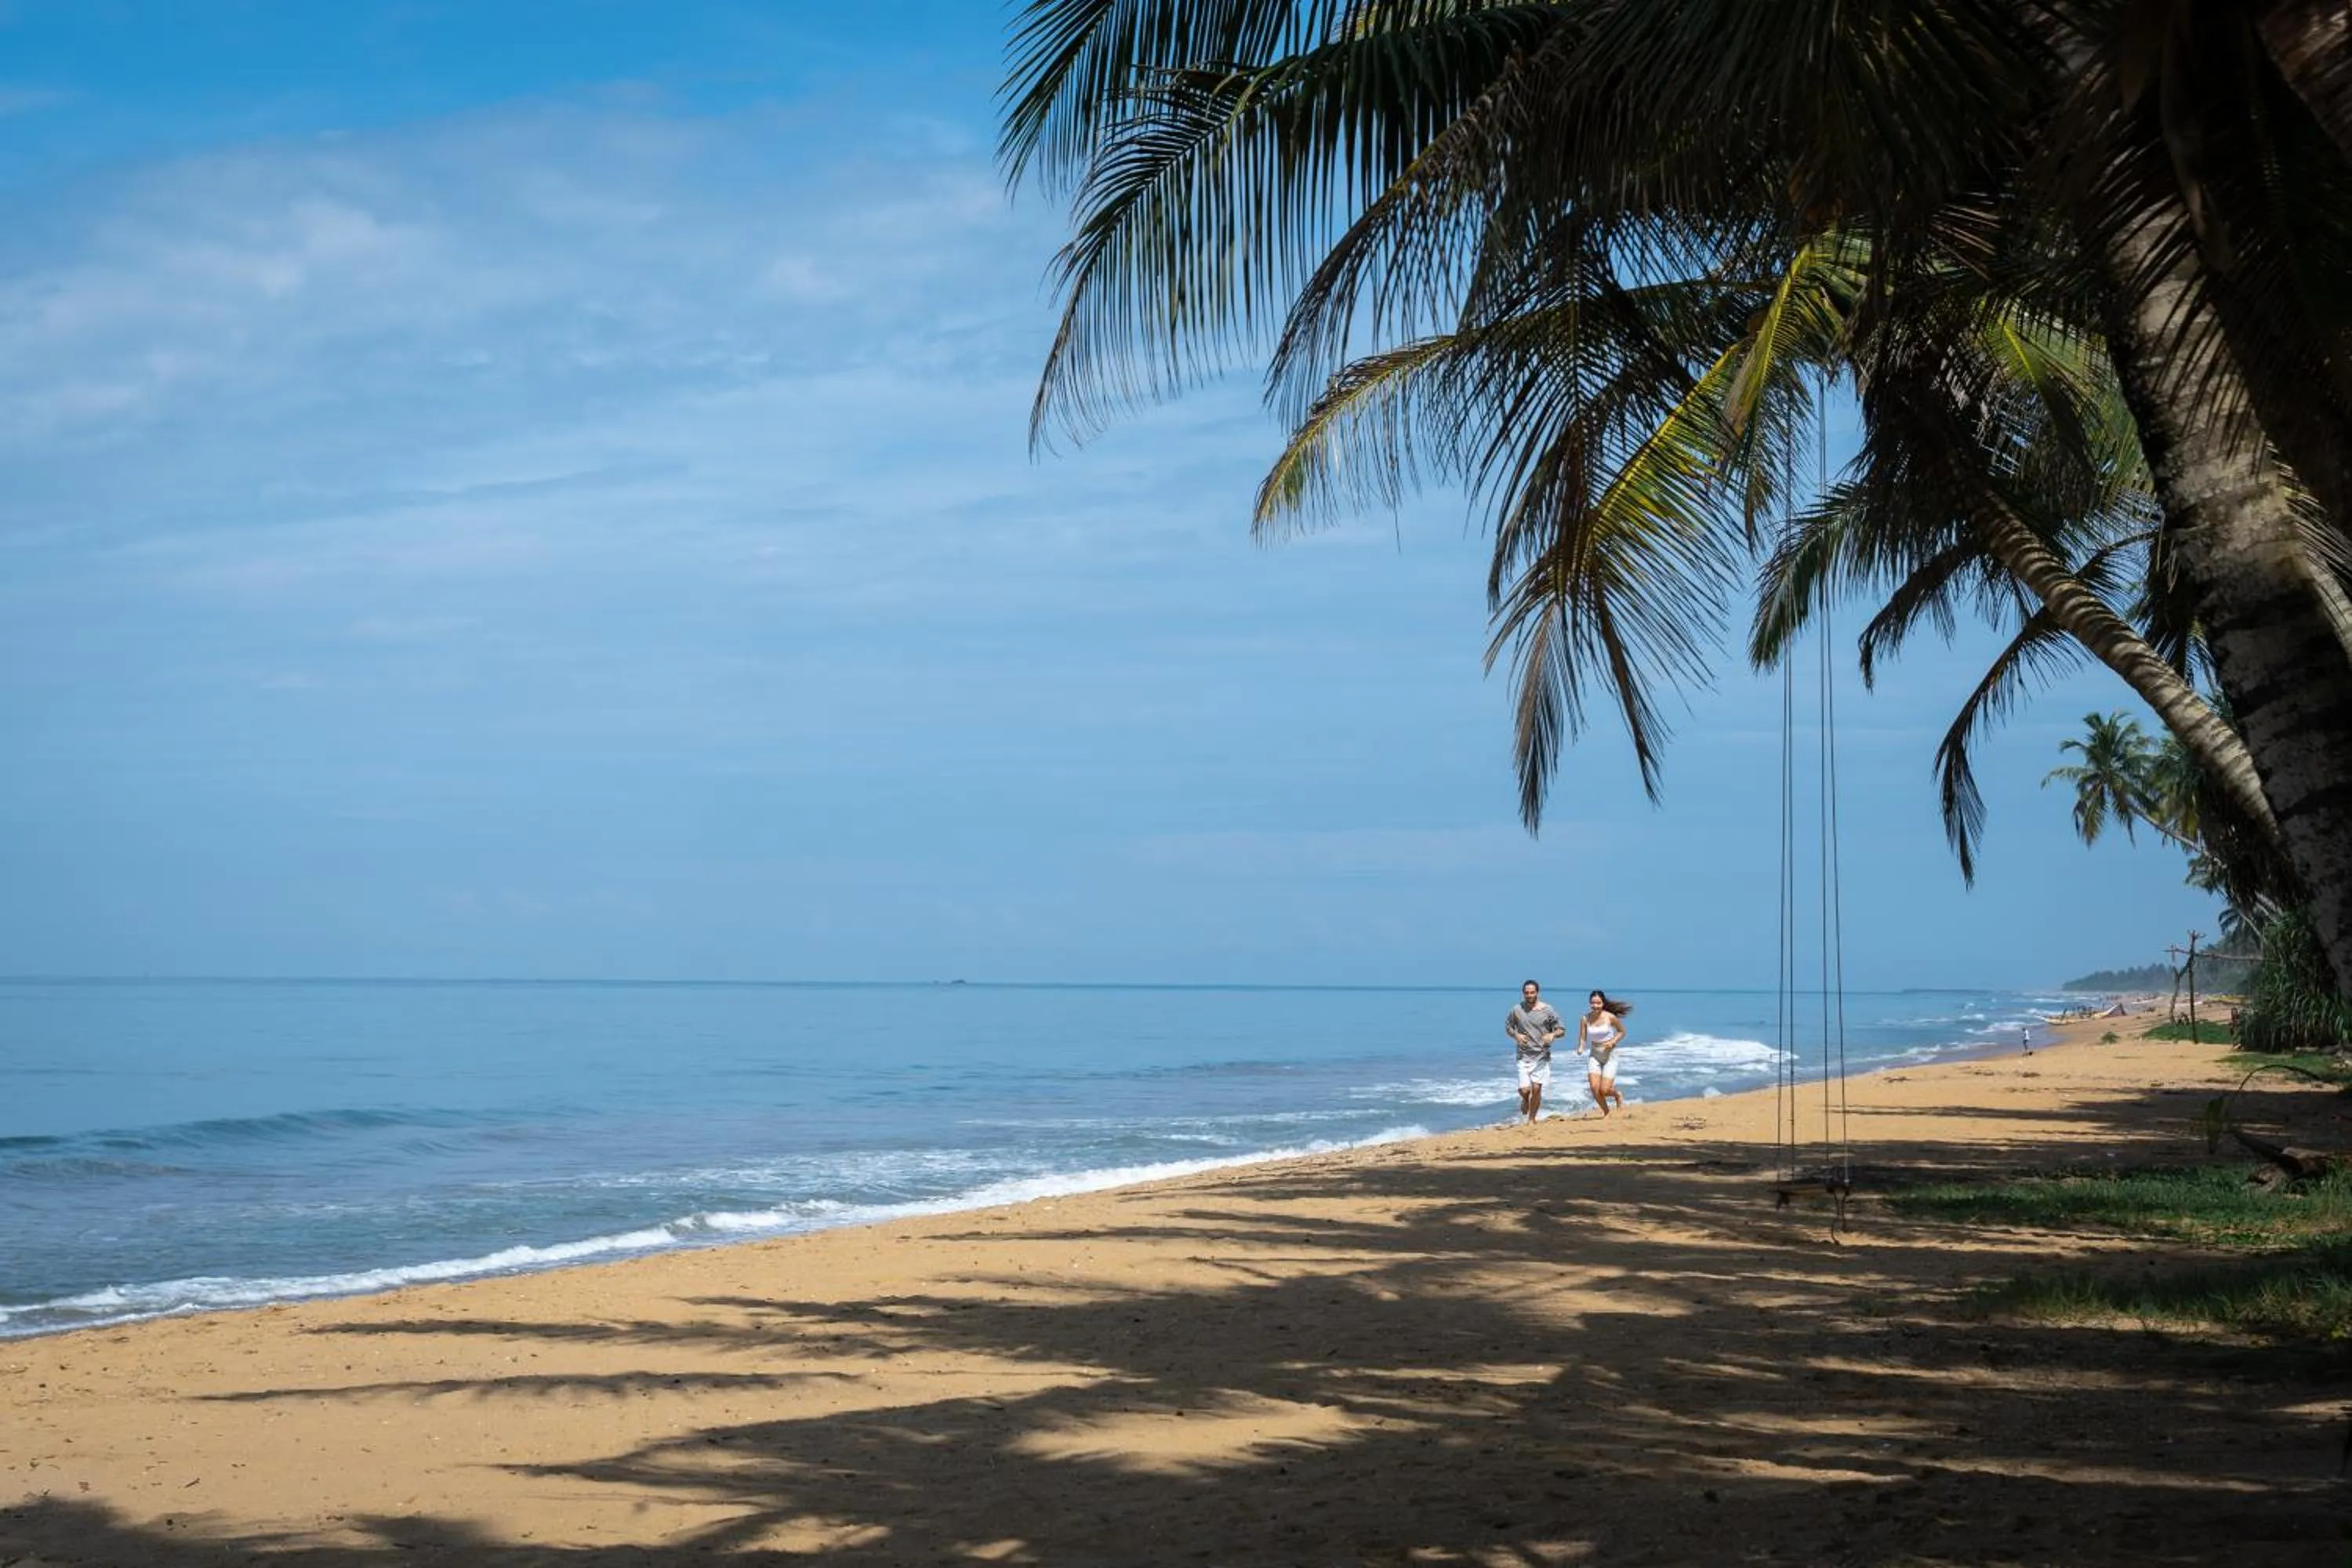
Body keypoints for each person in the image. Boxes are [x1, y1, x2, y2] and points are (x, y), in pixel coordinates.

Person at [1504, 979, 1566, 1123]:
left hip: (1541, 1056)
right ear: (1523, 993)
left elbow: (1561, 1030)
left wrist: (1552, 1035)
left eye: (1532, 992)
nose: (1529, 995)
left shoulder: (1548, 1010)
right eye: (1527, 993)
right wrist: (1517, 1036)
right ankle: (1525, 1099)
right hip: (1523, 1055)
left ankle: (1532, 1120)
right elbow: (1508, 1027)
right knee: (1525, 1090)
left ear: (1537, 993)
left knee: (1537, 1089)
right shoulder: (1517, 1010)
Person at [1578, 990, 1632, 1115]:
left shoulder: (1610, 1017)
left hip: (1610, 1055)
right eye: (1593, 1003)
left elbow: (1622, 1032)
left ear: (1603, 1003)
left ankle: (1617, 1095)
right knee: (1594, 1088)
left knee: (1604, 1089)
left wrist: (1613, 1041)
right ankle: (1607, 1112)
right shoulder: (1585, 1018)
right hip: (1595, 1055)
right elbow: (1582, 1037)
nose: (1595, 1006)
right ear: (1589, 1003)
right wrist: (1581, 1047)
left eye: (1598, 1003)